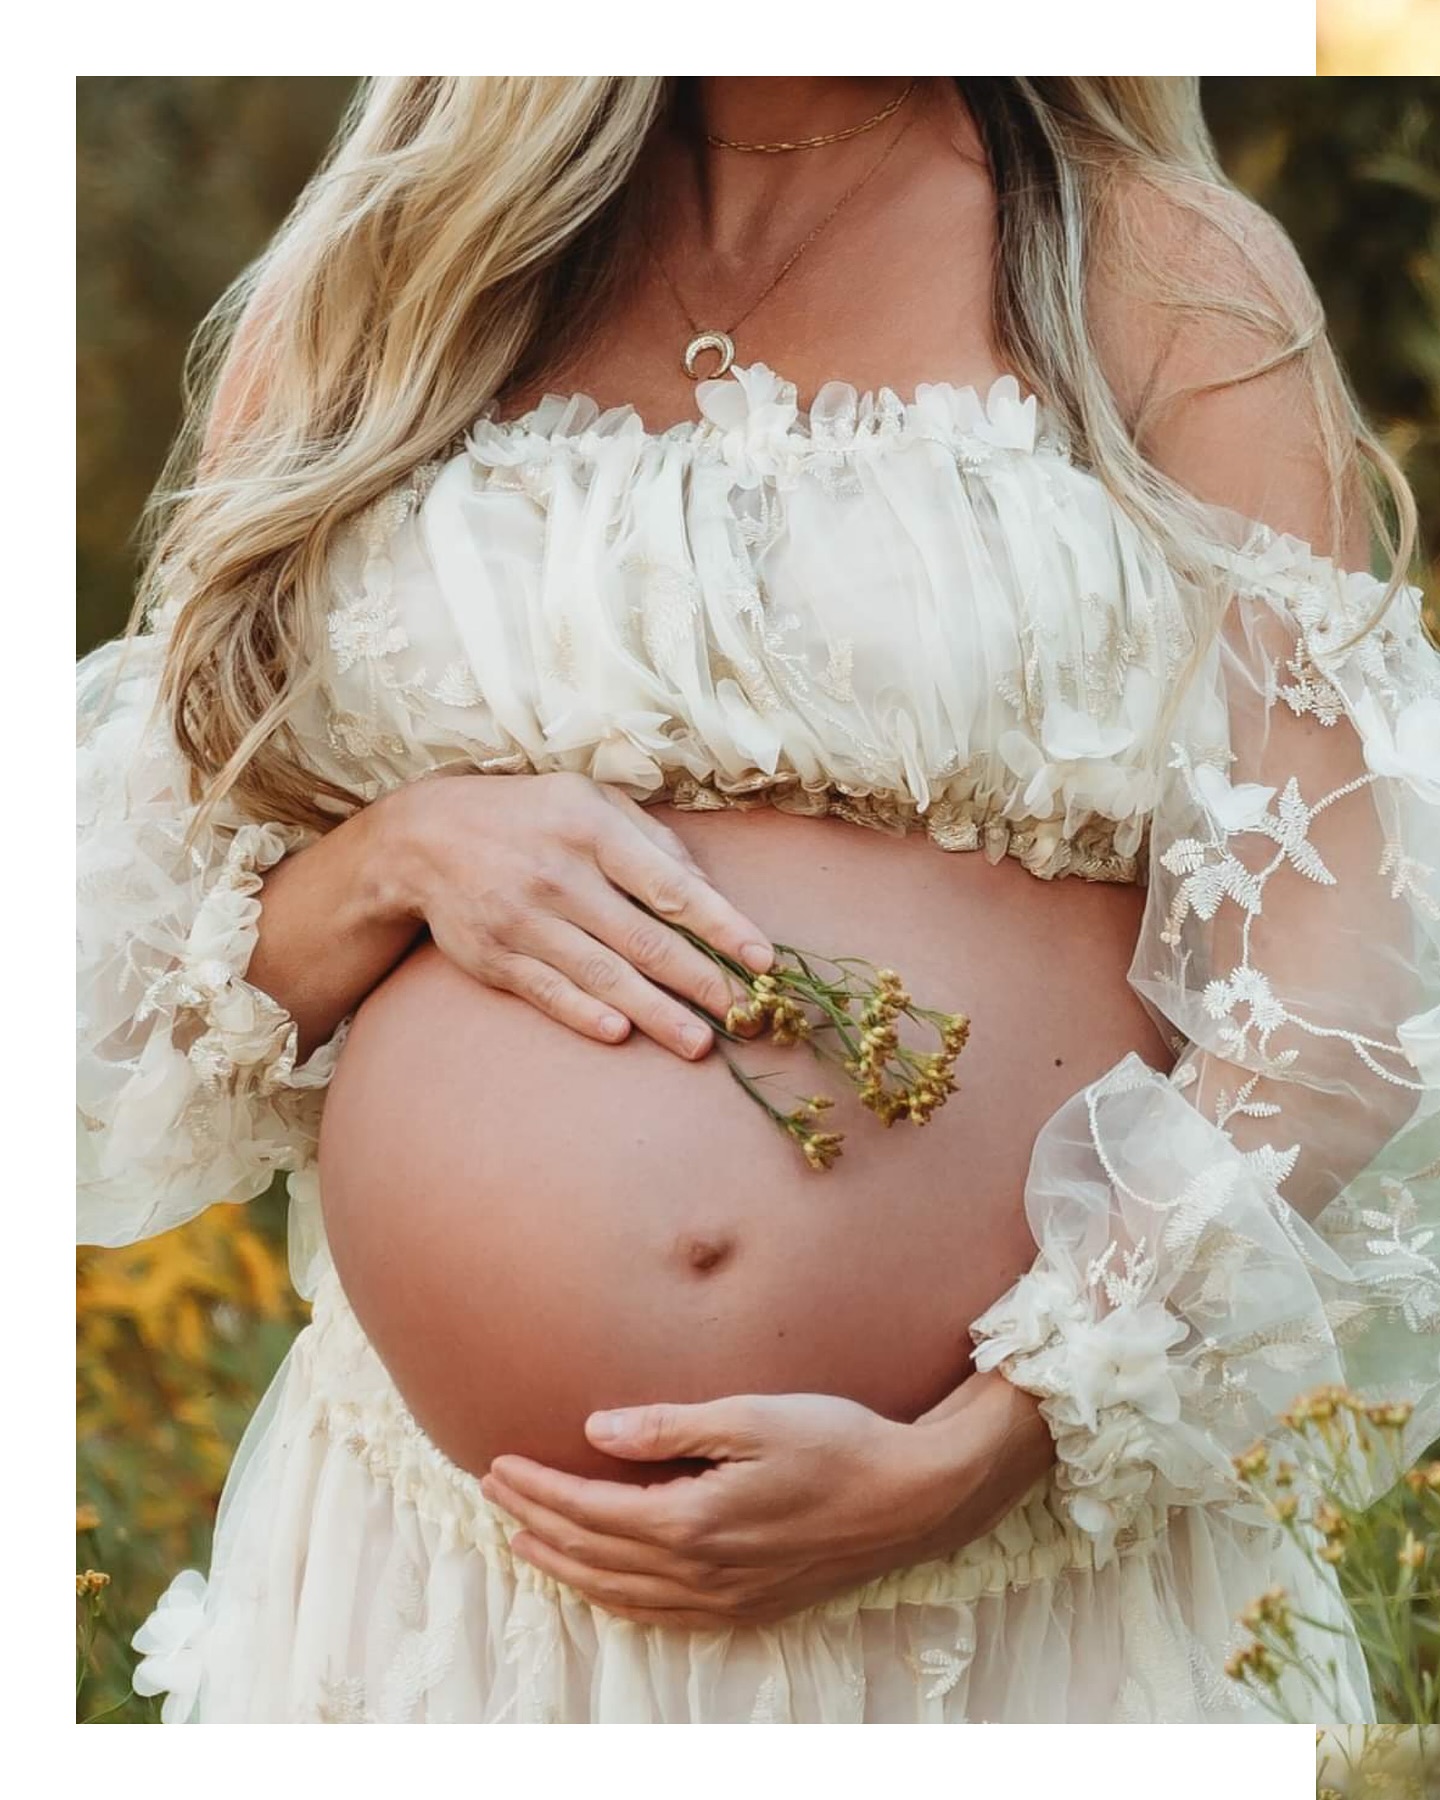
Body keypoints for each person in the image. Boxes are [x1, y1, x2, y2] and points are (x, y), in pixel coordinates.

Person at [77, 76, 1440, 1724]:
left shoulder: (1154, 267)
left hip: (1015, 1599)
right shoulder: (390, 276)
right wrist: (395, 859)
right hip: (441, 1600)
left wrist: (995, 1445)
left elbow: (1335, 981)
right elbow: (126, 977)